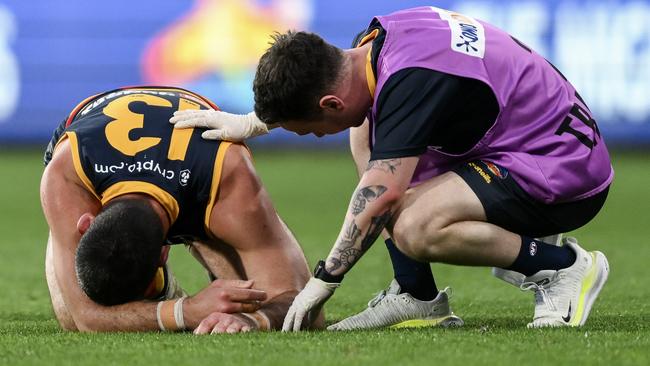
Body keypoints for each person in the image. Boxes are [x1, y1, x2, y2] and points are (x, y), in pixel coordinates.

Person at [169, 6, 613, 331]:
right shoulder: (373, 46)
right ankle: (416, 296)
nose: (314, 137)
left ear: (329, 104)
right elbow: (350, 106)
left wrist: (325, 280)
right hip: (517, 140)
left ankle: (562, 267)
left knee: (414, 224)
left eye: (308, 130)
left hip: (565, 168)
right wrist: (251, 121)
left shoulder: (412, 80)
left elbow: (380, 196)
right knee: (365, 132)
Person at [41, 86, 314, 333]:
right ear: (85, 224)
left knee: (250, 303)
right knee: (70, 318)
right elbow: (85, 318)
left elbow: (300, 300)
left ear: (163, 252)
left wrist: (255, 320)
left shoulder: (226, 174)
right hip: (91, 131)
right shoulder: (67, 171)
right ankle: (165, 289)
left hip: (202, 166)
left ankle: (202, 236)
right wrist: (185, 311)